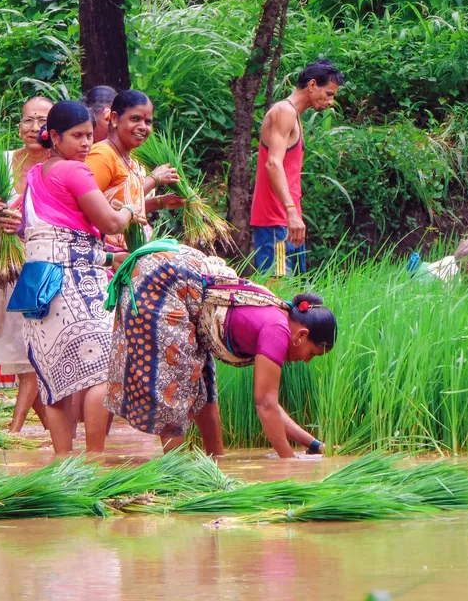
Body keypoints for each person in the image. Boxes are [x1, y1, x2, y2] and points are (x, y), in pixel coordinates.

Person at [104, 242, 336, 459]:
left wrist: (314, 446)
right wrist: (290, 463)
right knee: (174, 385)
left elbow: (272, 407)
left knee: (204, 382)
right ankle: (174, 478)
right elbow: (265, 404)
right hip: (163, 284)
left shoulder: (279, 319)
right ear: (302, 335)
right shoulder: (278, 330)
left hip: (179, 283)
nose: (307, 361)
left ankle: (216, 465)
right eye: (312, 353)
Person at [22, 100, 146, 453]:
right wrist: (129, 211)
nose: (86, 144)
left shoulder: (36, 174)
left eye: (91, 135)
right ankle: (94, 460)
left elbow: (49, 232)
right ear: (55, 136)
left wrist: (108, 254)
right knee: (102, 372)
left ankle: (64, 463)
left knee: (55, 378)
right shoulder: (75, 172)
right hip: (74, 284)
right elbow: (108, 222)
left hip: (39, 286)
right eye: (77, 136)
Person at [0, 96, 53, 435]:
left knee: (34, 349)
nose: (34, 128)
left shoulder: (58, 166)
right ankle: (55, 431)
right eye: (27, 120)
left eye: (43, 121)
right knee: (19, 352)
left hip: (40, 266)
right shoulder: (2, 163)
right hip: (5, 268)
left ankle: (14, 430)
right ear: (18, 124)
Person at [250, 60, 344, 278]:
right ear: (312, 85)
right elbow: (273, 163)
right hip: (276, 222)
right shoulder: (284, 111)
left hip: (287, 223)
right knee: (279, 289)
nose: (331, 102)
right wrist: (290, 211)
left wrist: (294, 215)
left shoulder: (294, 115)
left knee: (293, 294)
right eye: (329, 94)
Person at [84, 90, 185, 251]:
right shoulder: (102, 155)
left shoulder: (131, 161)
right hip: (109, 255)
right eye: (135, 119)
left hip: (133, 251)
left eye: (148, 122)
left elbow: (121, 203)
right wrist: (154, 179)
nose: (143, 127)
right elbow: (85, 207)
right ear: (115, 118)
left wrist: (160, 202)